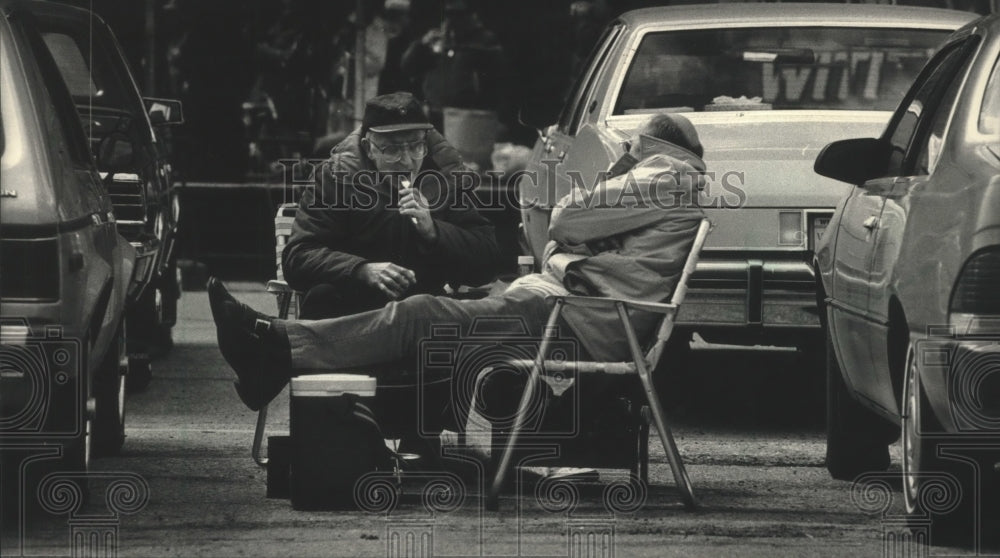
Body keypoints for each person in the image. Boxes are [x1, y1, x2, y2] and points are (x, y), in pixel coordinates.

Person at [210, 112, 707, 415]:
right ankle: (272, 356)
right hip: (568, 310)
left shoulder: (663, 175)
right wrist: (563, 249)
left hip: (571, 318)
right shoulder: (669, 187)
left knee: (421, 315)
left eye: (631, 148)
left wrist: (575, 227)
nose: (625, 153)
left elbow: (563, 221)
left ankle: (273, 345)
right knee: (420, 319)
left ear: (650, 148)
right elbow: (560, 243)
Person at [282, 91, 500, 319]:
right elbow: (298, 256)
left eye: (415, 146)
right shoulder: (336, 177)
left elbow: (488, 262)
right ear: (368, 148)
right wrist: (361, 270)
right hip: (349, 312)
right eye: (393, 149)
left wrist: (434, 231)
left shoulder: (445, 176)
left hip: (419, 314)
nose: (406, 161)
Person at [399, 0, 509, 132]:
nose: (451, 20)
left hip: (466, 118)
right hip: (434, 113)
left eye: (458, 14)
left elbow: (498, 83)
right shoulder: (438, 39)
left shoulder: (485, 42)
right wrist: (421, 45)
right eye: (448, 14)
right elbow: (408, 67)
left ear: (472, 15)